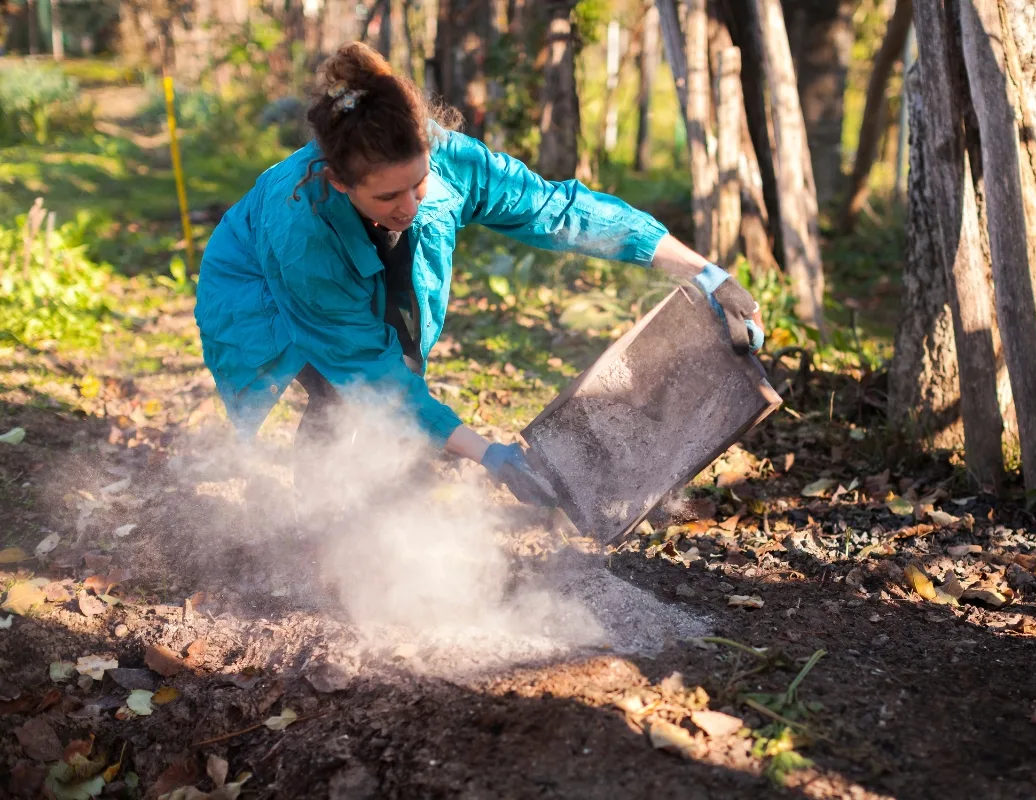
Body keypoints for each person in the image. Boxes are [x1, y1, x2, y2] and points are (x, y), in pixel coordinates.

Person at [195, 42, 763, 509]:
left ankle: (392, 482)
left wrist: (706, 273)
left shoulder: (450, 159)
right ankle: (324, 522)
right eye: (388, 195)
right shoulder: (302, 238)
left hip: (348, 252)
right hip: (258, 282)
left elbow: (556, 209)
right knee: (342, 394)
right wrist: (490, 454)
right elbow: (371, 375)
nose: (410, 206)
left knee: (405, 353)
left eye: (418, 184)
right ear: (342, 183)